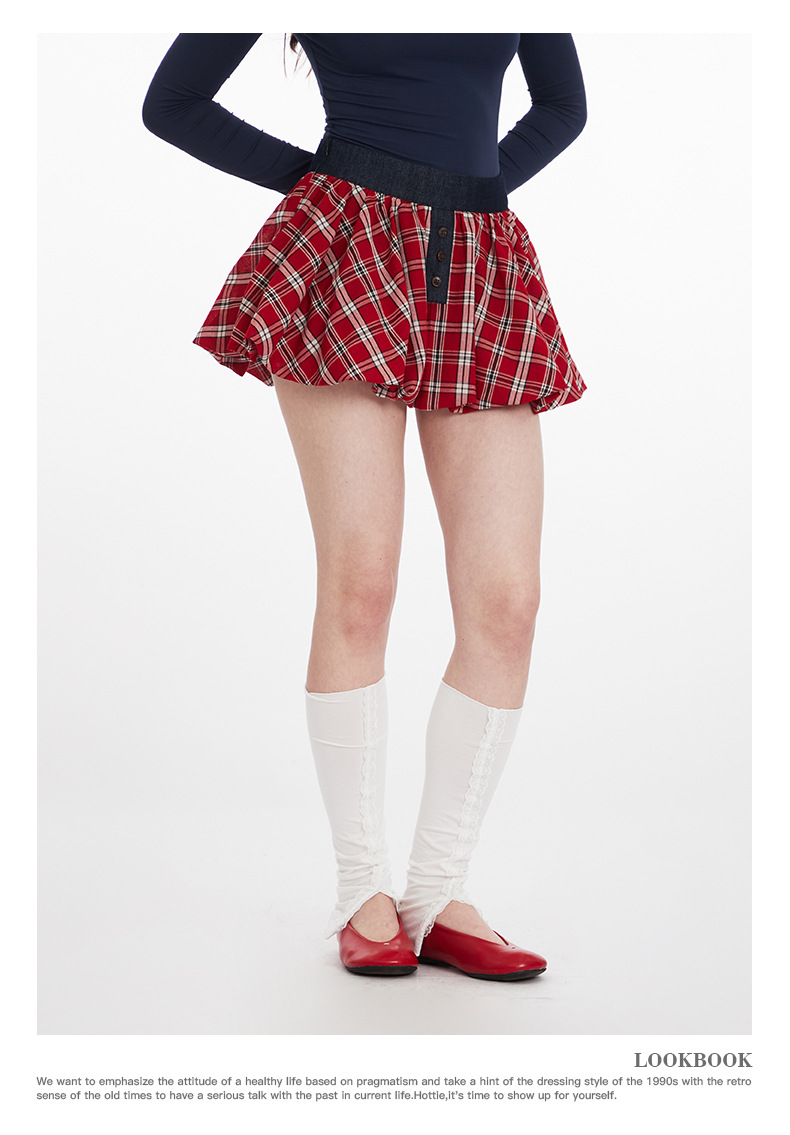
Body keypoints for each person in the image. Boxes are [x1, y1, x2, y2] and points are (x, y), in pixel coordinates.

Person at [142, 32, 587, 981]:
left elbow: (563, 105)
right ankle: (362, 893)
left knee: (508, 601)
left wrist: (468, 193)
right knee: (362, 584)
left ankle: (437, 893)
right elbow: (172, 103)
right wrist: (331, 186)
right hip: (345, 253)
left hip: (480, 256)